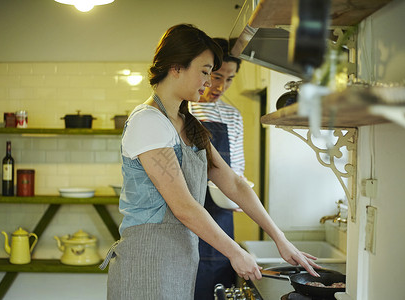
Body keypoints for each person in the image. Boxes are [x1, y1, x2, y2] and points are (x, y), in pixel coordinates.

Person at [100, 24, 320, 300]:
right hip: (146, 261)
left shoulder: (187, 124)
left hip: (178, 260)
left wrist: (280, 239)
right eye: (204, 72)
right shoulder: (148, 122)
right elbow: (184, 207)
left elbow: (236, 184)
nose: (209, 81)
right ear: (176, 67)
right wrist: (235, 252)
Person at [189, 38, 246, 299]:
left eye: (230, 79)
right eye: (217, 76)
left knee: (218, 275)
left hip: (220, 210)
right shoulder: (184, 109)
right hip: (186, 207)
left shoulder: (233, 116)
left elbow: (237, 170)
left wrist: (240, 199)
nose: (222, 86)